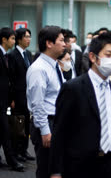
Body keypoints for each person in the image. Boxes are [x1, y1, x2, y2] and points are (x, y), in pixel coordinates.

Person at [49, 32, 111, 178]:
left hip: (110, 165)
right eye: (108, 54)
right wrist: (56, 171)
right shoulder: (74, 88)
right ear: (93, 57)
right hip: (80, 167)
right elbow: (60, 132)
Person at [27, 26, 66, 178]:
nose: (65, 44)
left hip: (57, 122)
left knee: (56, 169)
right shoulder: (38, 69)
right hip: (47, 124)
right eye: (61, 40)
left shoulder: (55, 65)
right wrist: (45, 130)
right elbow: (38, 103)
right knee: (46, 169)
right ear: (49, 43)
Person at [8, 28, 35, 162]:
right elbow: (11, 78)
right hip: (17, 95)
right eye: (26, 37)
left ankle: (24, 150)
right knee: (16, 125)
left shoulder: (29, 54)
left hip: (27, 95)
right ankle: (15, 151)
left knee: (26, 124)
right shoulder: (12, 55)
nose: (29, 39)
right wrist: (11, 98)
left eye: (30, 37)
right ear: (19, 39)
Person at [0, 27, 25, 171]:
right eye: (12, 38)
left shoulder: (5, 55)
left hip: (4, 100)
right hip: (0, 101)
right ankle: (12, 161)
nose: (14, 42)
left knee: (2, 130)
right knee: (5, 130)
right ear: (4, 39)